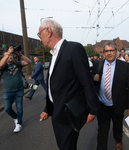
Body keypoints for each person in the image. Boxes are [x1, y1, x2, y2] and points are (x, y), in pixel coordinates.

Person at [38, 19, 99, 150]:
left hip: (68, 114)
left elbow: (86, 81)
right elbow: (54, 85)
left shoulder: (73, 48)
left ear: (48, 31)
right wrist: (47, 109)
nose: (39, 39)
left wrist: (93, 109)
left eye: (39, 35)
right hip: (56, 113)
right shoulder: (53, 54)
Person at [92, 41, 129, 150]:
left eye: (111, 50)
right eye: (106, 51)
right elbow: (90, 81)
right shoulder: (98, 64)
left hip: (118, 104)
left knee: (117, 126)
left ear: (116, 51)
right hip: (102, 104)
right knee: (102, 130)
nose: (109, 53)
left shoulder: (124, 66)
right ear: (103, 52)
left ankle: (118, 140)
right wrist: (93, 78)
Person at [0, 46, 31, 133]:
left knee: (19, 107)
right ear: (4, 57)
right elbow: (0, 65)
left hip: (19, 90)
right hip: (8, 91)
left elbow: (28, 61)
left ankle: (19, 123)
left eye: (11, 55)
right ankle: (16, 117)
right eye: (8, 55)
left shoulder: (17, 64)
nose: (10, 56)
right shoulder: (3, 66)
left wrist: (20, 55)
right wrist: (8, 52)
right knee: (7, 109)